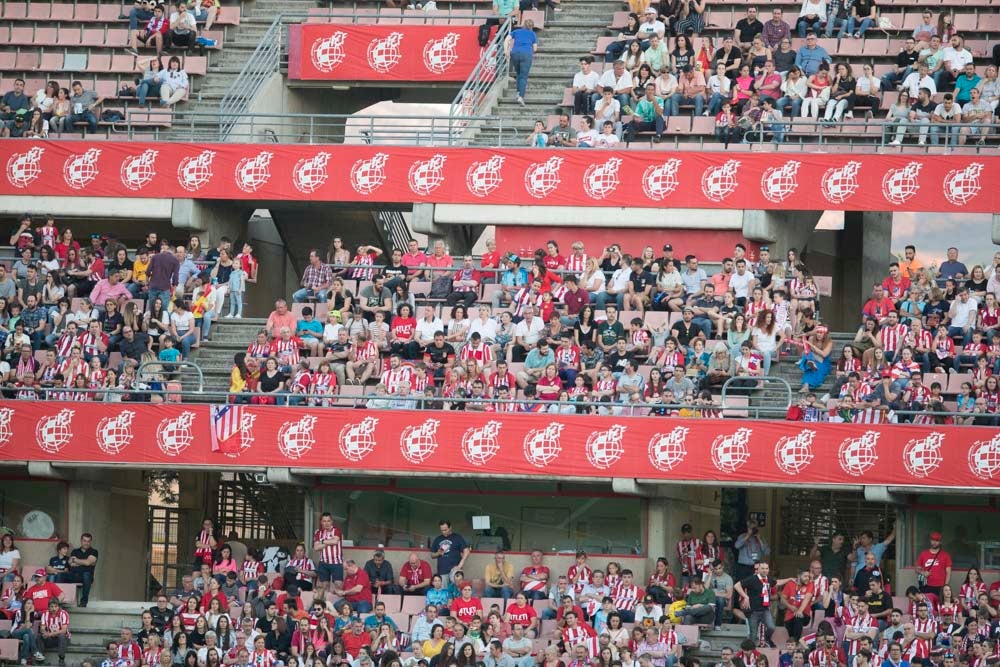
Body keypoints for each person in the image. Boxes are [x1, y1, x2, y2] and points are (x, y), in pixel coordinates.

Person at [430, 520, 470, 585]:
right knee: (444, 592)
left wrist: (460, 566)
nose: (443, 532)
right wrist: (438, 553)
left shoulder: (457, 537)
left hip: (455, 571)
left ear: (450, 527)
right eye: (442, 530)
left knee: (456, 592)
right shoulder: (438, 539)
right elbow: (432, 555)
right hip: (442, 570)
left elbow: (467, 551)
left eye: (445, 530)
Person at [65, 533, 98, 607]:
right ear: (81, 541)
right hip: (74, 575)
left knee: (86, 574)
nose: (86, 543)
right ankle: (60, 601)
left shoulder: (94, 551)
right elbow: (70, 563)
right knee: (60, 575)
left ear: (90, 542)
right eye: (84, 541)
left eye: (88, 541)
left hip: (86, 577)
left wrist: (76, 560)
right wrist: (84, 562)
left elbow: (88, 562)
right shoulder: (75, 551)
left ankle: (83, 602)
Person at [914, 531, 951, 596]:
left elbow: (948, 572)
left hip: (940, 586)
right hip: (926, 585)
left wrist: (946, 586)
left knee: (939, 605)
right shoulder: (923, 554)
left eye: (937, 540)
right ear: (930, 540)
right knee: (927, 605)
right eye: (933, 540)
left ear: (940, 542)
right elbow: (917, 569)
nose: (934, 542)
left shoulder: (945, 555)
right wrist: (923, 573)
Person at [509, 19, 537, 106]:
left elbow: (508, 39)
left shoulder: (516, 31)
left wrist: (507, 50)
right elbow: (535, 48)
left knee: (519, 73)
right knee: (523, 76)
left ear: (523, 24)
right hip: (526, 54)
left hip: (515, 53)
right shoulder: (533, 34)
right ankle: (521, 96)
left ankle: (518, 92)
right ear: (532, 26)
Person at [40, 599, 71, 666]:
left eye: (56, 606)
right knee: (39, 636)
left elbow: (64, 630)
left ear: (59, 607)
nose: (54, 608)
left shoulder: (64, 614)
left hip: (64, 639)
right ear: (48, 607)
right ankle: (40, 658)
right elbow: (42, 627)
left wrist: (50, 634)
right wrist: (44, 632)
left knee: (62, 635)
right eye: (52, 606)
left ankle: (61, 659)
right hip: (51, 639)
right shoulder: (45, 614)